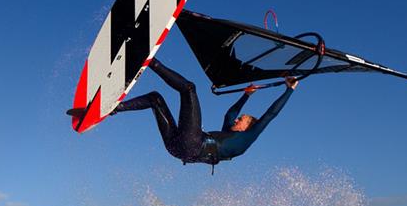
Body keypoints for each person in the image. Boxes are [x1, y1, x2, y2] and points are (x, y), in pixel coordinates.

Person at [112, 58, 298, 169]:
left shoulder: (248, 138)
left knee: (189, 88)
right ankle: (115, 109)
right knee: (155, 99)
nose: (238, 119)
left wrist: (289, 90)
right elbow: (229, 115)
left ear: (248, 127)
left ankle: (151, 62)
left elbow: (271, 114)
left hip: (192, 144)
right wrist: (245, 96)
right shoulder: (229, 132)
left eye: (242, 119)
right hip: (177, 149)